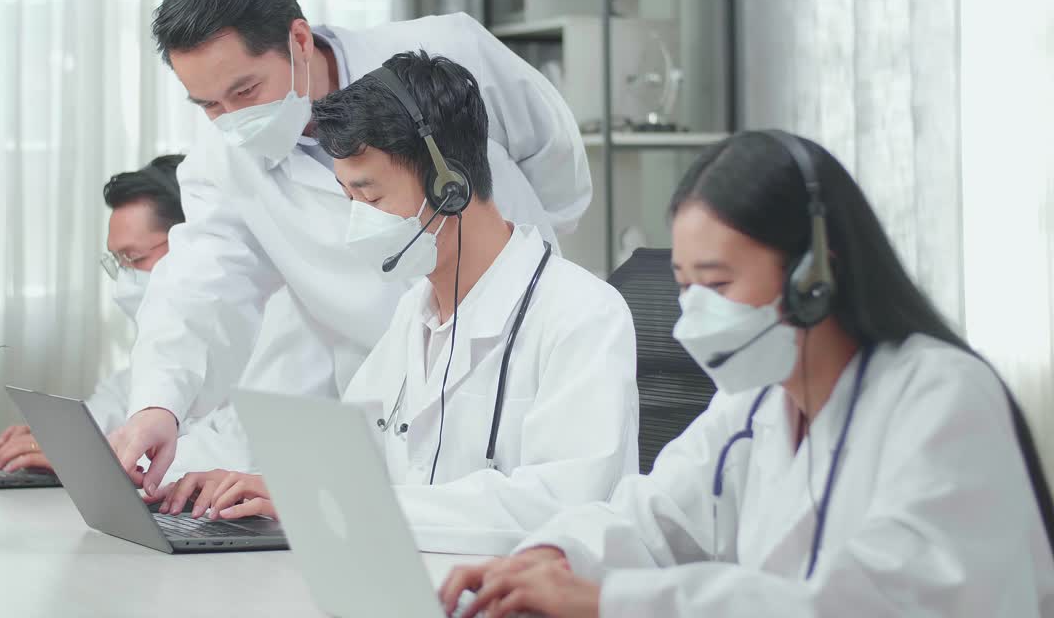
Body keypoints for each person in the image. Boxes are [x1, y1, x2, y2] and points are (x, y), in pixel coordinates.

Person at [439, 130, 1054, 617]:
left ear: (814, 276)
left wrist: (610, 603)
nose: (695, 309)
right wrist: (547, 559)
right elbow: (651, 518)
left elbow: (873, 603)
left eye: (719, 282)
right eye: (686, 285)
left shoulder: (942, 398)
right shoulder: (757, 405)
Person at [110, 0, 592, 495]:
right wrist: (159, 404)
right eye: (209, 106)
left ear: (298, 40)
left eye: (246, 91)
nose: (233, 121)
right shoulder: (221, 165)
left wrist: (532, 271)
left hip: (517, 335)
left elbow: (553, 156)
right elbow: (198, 289)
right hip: (389, 395)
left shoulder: (445, 54)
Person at [146, 52, 638, 555]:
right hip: (407, 582)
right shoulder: (415, 315)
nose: (357, 221)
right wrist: (254, 486)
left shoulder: (581, 313)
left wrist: (315, 501)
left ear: (452, 186)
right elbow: (350, 464)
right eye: (348, 199)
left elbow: (559, 505)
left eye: (372, 199)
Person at [0, 155, 298, 480]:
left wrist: (93, 459)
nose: (125, 279)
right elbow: (120, 403)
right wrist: (59, 441)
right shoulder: (166, 337)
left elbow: (240, 451)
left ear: (194, 246)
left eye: (135, 258)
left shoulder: (272, 323)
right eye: (118, 262)